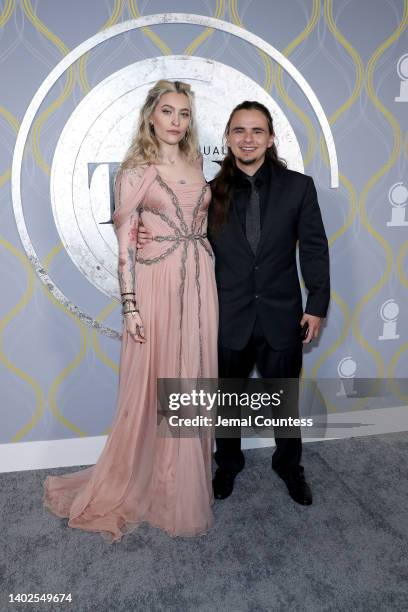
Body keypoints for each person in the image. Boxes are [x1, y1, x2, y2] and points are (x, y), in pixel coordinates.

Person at [43, 80, 218, 542]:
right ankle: (151, 482)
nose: (176, 122)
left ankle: (181, 481)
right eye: (168, 111)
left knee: (192, 377)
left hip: (201, 279)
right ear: (150, 116)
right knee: (158, 380)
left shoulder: (198, 162)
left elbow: (203, 224)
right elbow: (125, 250)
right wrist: (130, 307)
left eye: (184, 113)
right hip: (157, 282)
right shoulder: (134, 171)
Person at [208, 101, 330, 504]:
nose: (248, 139)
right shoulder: (209, 193)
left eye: (257, 131)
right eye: (239, 131)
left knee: (284, 398)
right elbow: (189, 249)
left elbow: (313, 249)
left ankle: (289, 465)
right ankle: (226, 465)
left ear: (270, 138)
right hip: (229, 315)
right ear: (228, 138)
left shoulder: (299, 186)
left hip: (282, 314)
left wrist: (316, 305)